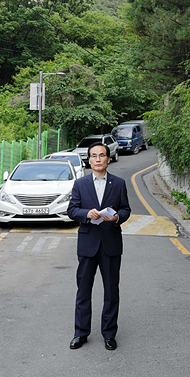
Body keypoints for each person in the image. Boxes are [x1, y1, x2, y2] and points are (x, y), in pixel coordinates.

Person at [68, 141, 131, 351]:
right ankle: (80, 333)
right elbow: (72, 210)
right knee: (83, 291)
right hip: (87, 244)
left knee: (111, 292)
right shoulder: (80, 184)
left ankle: (109, 334)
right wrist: (86, 214)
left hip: (111, 244)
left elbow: (126, 210)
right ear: (88, 160)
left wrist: (116, 218)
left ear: (108, 159)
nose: (97, 159)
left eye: (101, 155)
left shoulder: (119, 183)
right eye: (93, 156)